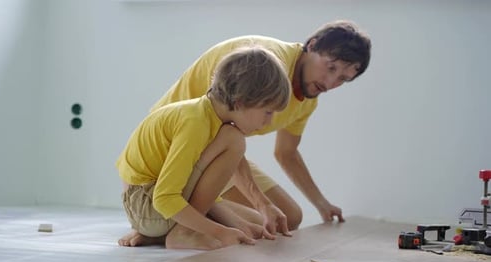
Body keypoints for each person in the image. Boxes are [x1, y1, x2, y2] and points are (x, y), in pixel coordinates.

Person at [149, 20, 372, 235]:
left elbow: (287, 153)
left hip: (213, 148)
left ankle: (189, 215)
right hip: (174, 143)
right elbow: (224, 135)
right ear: (312, 45)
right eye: (330, 67)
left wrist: (322, 203)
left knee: (290, 217)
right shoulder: (268, 66)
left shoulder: (307, 99)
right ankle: (177, 223)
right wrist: (261, 204)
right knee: (262, 223)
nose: (331, 83)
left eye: (343, 78)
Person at [115, 46, 291, 250]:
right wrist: (220, 232)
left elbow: (198, 188)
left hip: (154, 204)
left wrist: (241, 226)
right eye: (268, 112)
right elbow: (165, 198)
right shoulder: (196, 123)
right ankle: (183, 233)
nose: (269, 122)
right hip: (146, 204)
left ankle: (162, 234)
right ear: (240, 102)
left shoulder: (210, 117)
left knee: (256, 222)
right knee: (234, 141)